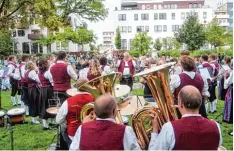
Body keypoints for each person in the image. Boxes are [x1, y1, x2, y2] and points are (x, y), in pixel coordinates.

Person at [149, 86, 222, 150]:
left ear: (180, 104)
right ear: (200, 103)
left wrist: (155, 130)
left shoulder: (169, 127)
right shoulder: (216, 126)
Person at [70, 94, 141, 150]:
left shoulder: (82, 128)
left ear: (94, 111)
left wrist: (85, 127)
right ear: (114, 111)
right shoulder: (126, 130)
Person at [56, 78, 95, 148]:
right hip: (93, 132)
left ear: (77, 88)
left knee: (63, 128)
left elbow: (58, 120)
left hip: (73, 135)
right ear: (89, 85)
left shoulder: (68, 101)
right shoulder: (96, 99)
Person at [38, 59, 54, 130]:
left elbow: (39, 81)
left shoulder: (39, 73)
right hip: (48, 90)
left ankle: (49, 123)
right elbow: (52, 82)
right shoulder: (47, 73)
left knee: (45, 105)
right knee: (50, 105)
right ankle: (47, 125)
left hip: (42, 90)